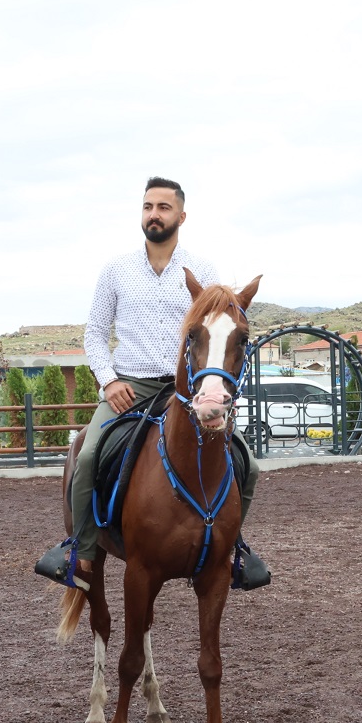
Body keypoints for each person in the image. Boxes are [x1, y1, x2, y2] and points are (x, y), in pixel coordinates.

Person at [35, 177, 270, 590]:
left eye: (163, 207)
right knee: (88, 456)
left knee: (246, 463)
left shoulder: (204, 272)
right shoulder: (116, 270)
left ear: (181, 216)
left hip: (186, 391)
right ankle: (82, 552)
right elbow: (94, 333)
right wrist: (108, 382)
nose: (154, 214)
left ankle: (234, 550)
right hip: (130, 388)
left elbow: (220, 331)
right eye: (147, 207)